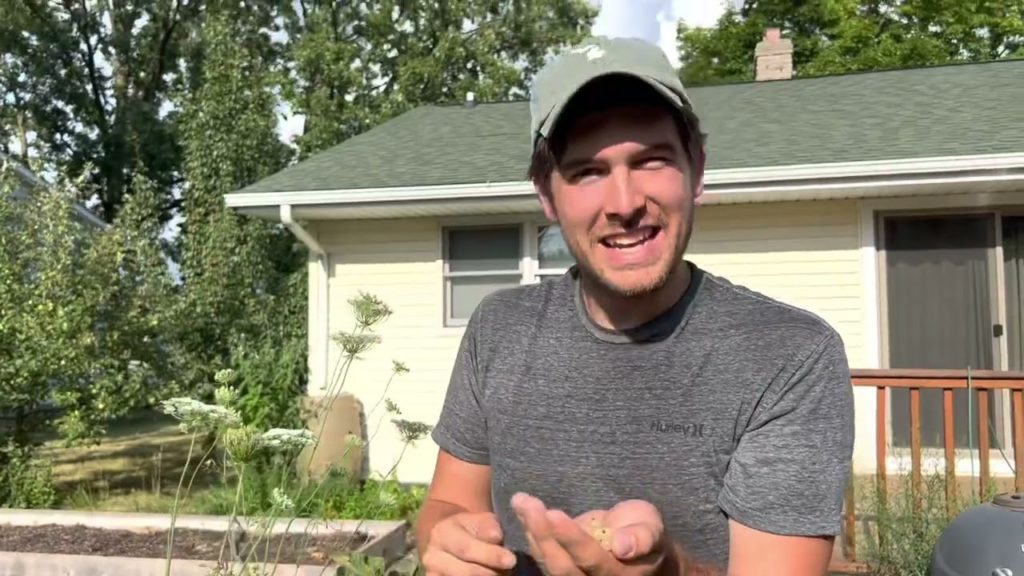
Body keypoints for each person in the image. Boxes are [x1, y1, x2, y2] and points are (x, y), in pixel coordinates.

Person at [414, 35, 855, 576]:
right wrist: (446, 539)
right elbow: (449, 505)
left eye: (651, 161)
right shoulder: (498, 330)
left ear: (696, 167)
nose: (624, 204)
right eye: (588, 172)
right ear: (547, 195)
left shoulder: (787, 357)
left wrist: (667, 570)